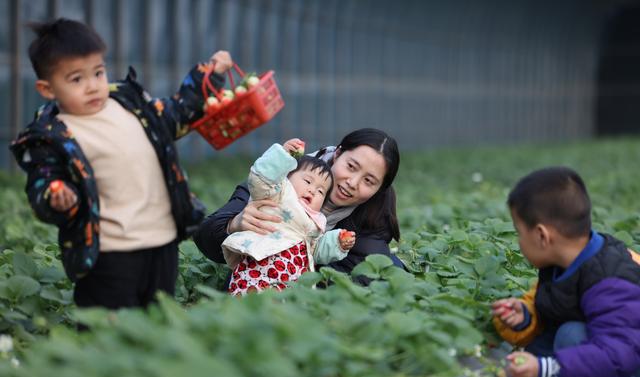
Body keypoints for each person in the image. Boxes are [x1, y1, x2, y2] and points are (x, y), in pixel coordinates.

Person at [9, 18, 232, 309]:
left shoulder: (131, 106)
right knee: (108, 327)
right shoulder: (52, 136)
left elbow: (179, 111)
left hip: (162, 242)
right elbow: (44, 180)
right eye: (76, 79)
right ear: (47, 88)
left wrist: (210, 77)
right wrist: (56, 194)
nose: (92, 86)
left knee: (156, 319)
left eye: (98, 73)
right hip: (108, 253)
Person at [491, 166, 640, 377]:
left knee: (570, 336)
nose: (518, 241)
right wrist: (524, 316)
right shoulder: (563, 262)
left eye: (518, 232)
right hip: (605, 365)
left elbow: (618, 353)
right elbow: (554, 307)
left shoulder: (611, 278)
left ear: (541, 235)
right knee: (546, 345)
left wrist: (548, 370)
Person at [193, 128, 402, 282]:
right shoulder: (284, 178)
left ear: (379, 188)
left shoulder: (375, 212)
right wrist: (233, 225)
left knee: (389, 269)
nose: (353, 183)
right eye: (351, 166)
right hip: (258, 283)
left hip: (302, 293)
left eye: (369, 181)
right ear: (337, 154)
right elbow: (206, 236)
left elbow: (365, 274)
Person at [223, 140, 356, 295]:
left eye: (321, 191)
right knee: (250, 299)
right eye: (307, 181)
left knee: (284, 309)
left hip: (290, 281)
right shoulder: (278, 193)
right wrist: (283, 157)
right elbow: (262, 178)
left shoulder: (315, 222)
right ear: (287, 177)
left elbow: (314, 249)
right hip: (259, 268)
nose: (312, 190)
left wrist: (336, 242)